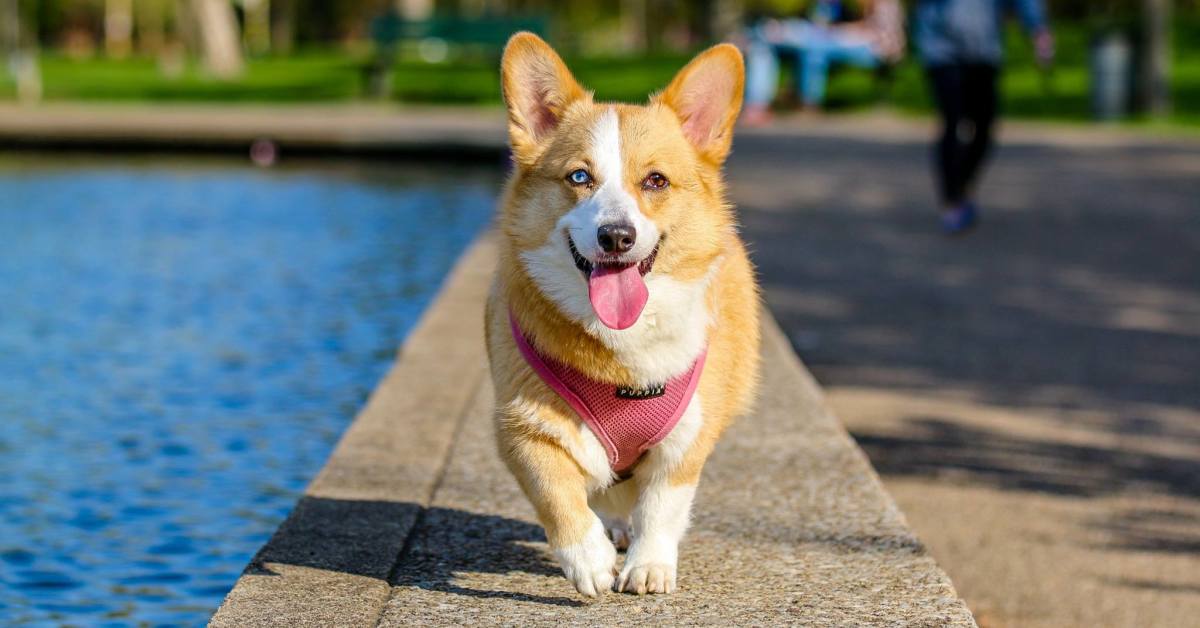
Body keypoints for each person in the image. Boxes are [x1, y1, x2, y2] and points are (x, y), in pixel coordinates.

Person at [915, 0, 1054, 234]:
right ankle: (952, 201)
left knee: (985, 126)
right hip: (941, 49)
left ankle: (962, 186)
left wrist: (1038, 30)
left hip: (984, 50)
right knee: (952, 120)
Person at [742, 0, 905, 123]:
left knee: (815, 48)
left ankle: (805, 101)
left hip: (878, 48)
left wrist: (835, 31)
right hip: (844, 39)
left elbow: (875, 32)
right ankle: (759, 105)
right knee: (763, 45)